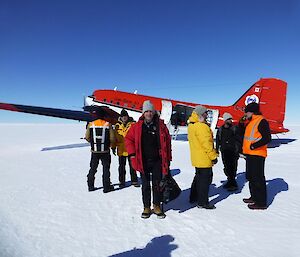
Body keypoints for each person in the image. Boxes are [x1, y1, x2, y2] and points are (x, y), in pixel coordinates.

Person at [125, 100, 172, 219]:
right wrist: (132, 154)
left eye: (150, 111)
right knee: (145, 185)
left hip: (158, 160)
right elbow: (128, 139)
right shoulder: (136, 126)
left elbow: (168, 142)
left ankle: (156, 205)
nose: (148, 114)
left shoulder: (161, 126)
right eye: (146, 111)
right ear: (143, 113)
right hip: (143, 160)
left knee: (157, 184)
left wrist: (168, 158)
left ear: (154, 112)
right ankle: (146, 207)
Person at [188, 105, 218, 209]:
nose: (207, 115)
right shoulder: (202, 126)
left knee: (198, 178)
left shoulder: (192, 125)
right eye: (205, 113)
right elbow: (207, 144)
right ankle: (202, 202)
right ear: (201, 114)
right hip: (204, 158)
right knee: (205, 181)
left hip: (197, 158)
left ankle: (194, 197)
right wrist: (213, 156)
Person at [241, 102, 271, 210]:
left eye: (246, 111)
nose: (245, 113)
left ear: (251, 111)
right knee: (251, 177)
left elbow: (267, 138)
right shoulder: (251, 121)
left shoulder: (261, 121)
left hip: (257, 154)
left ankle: (261, 203)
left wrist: (254, 146)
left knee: (258, 178)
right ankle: (254, 197)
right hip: (250, 154)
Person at [85, 118, 116, 193]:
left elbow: (87, 137)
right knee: (106, 169)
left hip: (94, 151)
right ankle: (106, 187)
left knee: (93, 168)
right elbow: (112, 138)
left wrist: (93, 143)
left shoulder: (91, 124)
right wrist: (111, 146)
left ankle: (90, 186)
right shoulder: (108, 124)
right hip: (105, 151)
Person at [216, 112, 242, 191]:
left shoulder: (234, 128)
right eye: (229, 119)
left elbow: (239, 140)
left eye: (231, 119)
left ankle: (233, 184)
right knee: (226, 167)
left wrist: (238, 151)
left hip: (233, 151)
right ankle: (229, 181)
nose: (230, 120)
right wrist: (216, 149)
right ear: (225, 120)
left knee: (233, 168)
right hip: (224, 151)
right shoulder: (220, 129)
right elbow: (218, 140)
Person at [113, 109, 139, 188]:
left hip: (131, 149)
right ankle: (122, 181)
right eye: (122, 116)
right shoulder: (117, 126)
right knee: (121, 167)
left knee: (133, 166)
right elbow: (114, 137)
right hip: (121, 149)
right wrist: (113, 147)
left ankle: (134, 181)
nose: (124, 118)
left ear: (127, 117)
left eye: (125, 116)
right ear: (120, 117)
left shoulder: (133, 124)